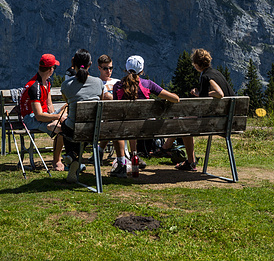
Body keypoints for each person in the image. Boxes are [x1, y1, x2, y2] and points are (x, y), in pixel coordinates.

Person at [111, 55, 180, 178]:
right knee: (134, 124)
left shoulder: (117, 86)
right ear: (142, 71)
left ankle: (122, 162)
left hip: (123, 129)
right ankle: (134, 155)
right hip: (145, 129)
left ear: (126, 69)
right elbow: (175, 99)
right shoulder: (148, 84)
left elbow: (115, 112)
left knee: (120, 125)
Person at [174, 48, 235, 172]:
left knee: (182, 122)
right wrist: (200, 93)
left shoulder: (206, 76)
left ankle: (190, 161)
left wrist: (203, 93)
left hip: (213, 122)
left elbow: (219, 93)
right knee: (183, 120)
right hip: (229, 120)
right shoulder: (217, 73)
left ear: (196, 64)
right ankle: (167, 148)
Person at [60, 48, 104, 183]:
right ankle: (73, 157)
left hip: (74, 128)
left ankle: (71, 156)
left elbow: (68, 102)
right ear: (90, 64)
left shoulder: (66, 85)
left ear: (73, 63)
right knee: (84, 131)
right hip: (94, 130)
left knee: (66, 125)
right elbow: (100, 101)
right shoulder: (99, 83)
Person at [20, 53, 67, 171]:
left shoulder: (47, 81)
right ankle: (57, 161)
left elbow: (49, 104)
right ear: (51, 69)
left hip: (44, 114)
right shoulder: (34, 87)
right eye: (54, 68)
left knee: (69, 106)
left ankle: (53, 125)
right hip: (31, 118)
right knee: (61, 129)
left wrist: (54, 116)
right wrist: (57, 117)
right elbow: (38, 115)